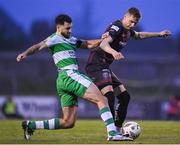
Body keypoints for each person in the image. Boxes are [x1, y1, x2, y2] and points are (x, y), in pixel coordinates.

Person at [16, 14, 132, 141]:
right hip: (69, 75)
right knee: (102, 100)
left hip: (62, 81)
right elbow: (38, 46)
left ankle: (30, 125)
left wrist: (101, 39)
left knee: (68, 122)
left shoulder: (71, 39)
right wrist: (25, 53)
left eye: (71, 28)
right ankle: (113, 134)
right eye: (67, 28)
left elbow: (88, 44)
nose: (70, 30)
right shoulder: (54, 39)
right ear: (58, 27)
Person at [85, 7, 171, 132]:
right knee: (110, 96)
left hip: (104, 66)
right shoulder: (117, 26)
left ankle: (118, 130)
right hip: (96, 64)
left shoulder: (128, 30)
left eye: (135, 23)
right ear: (125, 16)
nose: (132, 24)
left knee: (125, 97)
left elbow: (139, 35)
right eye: (131, 21)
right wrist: (114, 52)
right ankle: (111, 131)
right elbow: (104, 43)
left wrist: (159, 34)